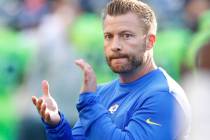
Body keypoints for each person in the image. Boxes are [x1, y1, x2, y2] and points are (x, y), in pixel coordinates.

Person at [32, 0, 191, 139]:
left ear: (150, 41)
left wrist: (88, 103)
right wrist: (57, 126)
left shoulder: (163, 96)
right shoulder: (101, 92)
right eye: (109, 36)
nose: (115, 46)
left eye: (126, 35)